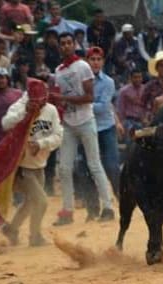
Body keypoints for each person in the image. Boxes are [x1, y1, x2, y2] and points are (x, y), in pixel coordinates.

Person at [51, 32, 114, 225]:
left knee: (94, 165)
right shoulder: (59, 71)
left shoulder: (83, 66)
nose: (66, 46)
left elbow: (89, 97)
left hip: (86, 120)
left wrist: (63, 100)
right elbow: (59, 97)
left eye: (69, 43)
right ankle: (67, 210)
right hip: (69, 122)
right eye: (63, 43)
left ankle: (108, 206)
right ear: (59, 46)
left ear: (74, 44)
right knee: (64, 168)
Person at [1, 78, 62, 247]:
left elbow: (58, 136)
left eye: (42, 102)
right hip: (21, 167)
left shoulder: (51, 110)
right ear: (29, 99)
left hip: (39, 164)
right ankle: (35, 237)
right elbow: (5, 123)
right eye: (35, 103)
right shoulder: (20, 106)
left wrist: (41, 144)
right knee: (41, 201)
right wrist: (24, 113)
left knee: (31, 202)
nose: (39, 106)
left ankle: (12, 228)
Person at [87, 46, 120, 198]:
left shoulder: (108, 82)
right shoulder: (81, 81)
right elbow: (98, 106)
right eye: (92, 59)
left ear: (103, 62)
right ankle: (92, 203)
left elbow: (103, 107)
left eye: (98, 59)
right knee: (87, 167)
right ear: (87, 61)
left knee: (112, 165)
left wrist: (82, 103)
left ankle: (120, 196)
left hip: (106, 127)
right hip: (87, 127)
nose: (95, 62)